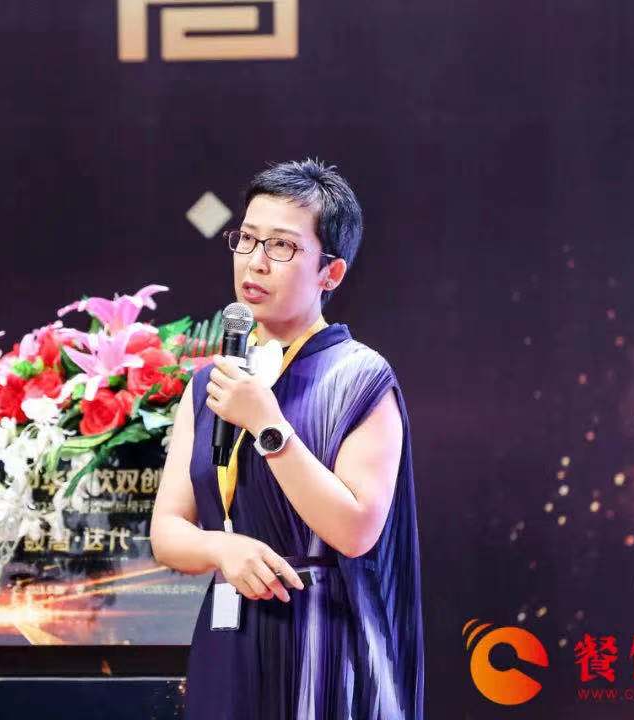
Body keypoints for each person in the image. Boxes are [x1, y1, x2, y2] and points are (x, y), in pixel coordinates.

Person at [150, 158, 424, 720]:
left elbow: (356, 531)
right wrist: (221, 548)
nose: (256, 261)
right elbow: (167, 530)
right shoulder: (211, 381)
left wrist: (268, 426)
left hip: (324, 639)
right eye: (247, 239)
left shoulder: (361, 377)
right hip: (229, 633)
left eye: (282, 246)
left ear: (331, 273)